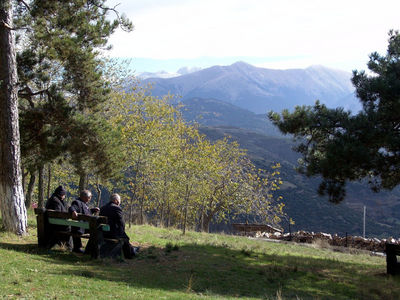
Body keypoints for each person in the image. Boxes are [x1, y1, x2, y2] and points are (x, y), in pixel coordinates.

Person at [99, 193, 139, 258]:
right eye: (119, 201)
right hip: (112, 233)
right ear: (116, 201)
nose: (119, 202)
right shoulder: (116, 208)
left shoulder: (102, 208)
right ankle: (130, 254)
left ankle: (132, 250)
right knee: (125, 238)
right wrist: (122, 232)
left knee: (124, 237)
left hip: (103, 232)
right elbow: (121, 223)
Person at [45, 185, 72, 250]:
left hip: (52, 223)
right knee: (70, 228)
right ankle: (70, 247)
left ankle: (66, 246)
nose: (64, 196)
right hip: (55, 224)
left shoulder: (53, 198)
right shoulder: (56, 201)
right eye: (64, 195)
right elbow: (59, 214)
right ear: (61, 194)